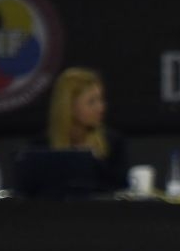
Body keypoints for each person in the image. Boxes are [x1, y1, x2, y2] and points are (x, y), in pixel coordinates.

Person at [22, 67, 127, 196]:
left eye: (101, 100)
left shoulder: (113, 143)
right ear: (69, 106)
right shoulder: (40, 146)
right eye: (92, 102)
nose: (101, 107)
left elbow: (120, 189)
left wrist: (94, 162)